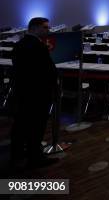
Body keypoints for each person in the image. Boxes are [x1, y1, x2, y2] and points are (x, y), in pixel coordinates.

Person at [10, 17, 59, 169]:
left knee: (21, 124)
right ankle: (35, 157)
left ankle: (17, 153)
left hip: (22, 92)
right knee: (36, 127)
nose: (48, 30)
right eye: (45, 27)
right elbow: (47, 70)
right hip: (38, 93)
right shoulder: (38, 46)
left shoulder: (19, 45)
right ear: (35, 28)